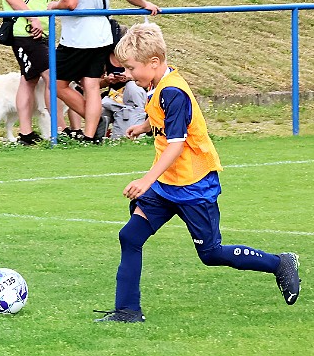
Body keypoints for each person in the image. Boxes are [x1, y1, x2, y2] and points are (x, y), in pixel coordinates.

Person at [94, 23, 301, 323]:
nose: (128, 73)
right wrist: (144, 126)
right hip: (168, 185)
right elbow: (169, 124)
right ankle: (127, 311)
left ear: (153, 63)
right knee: (130, 236)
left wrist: (145, 180)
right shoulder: (156, 86)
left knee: (211, 254)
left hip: (194, 184)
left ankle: (280, 262)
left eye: (131, 67)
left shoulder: (173, 91)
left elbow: (177, 143)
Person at [47, 0, 160, 143]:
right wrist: (145, 3)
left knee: (56, 83)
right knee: (91, 84)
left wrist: (54, 5)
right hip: (102, 33)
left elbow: (70, 2)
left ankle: (95, 122)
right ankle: (90, 135)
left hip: (78, 35)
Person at [2, 0, 53, 145]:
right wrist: (32, 18)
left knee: (29, 79)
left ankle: (26, 133)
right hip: (25, 30)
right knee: (51, 76)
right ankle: (59, 129)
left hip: (39, 30)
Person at [100, 54, 147, 139]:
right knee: (100, 109)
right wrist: (107, 81)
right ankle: (96, 138)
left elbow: (147, 79)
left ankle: (139, 131)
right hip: (114, 97)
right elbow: (95, 85)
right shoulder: (104, 57)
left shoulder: (137, 56)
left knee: (133, 87)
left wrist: (130, 77)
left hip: (135, 98)